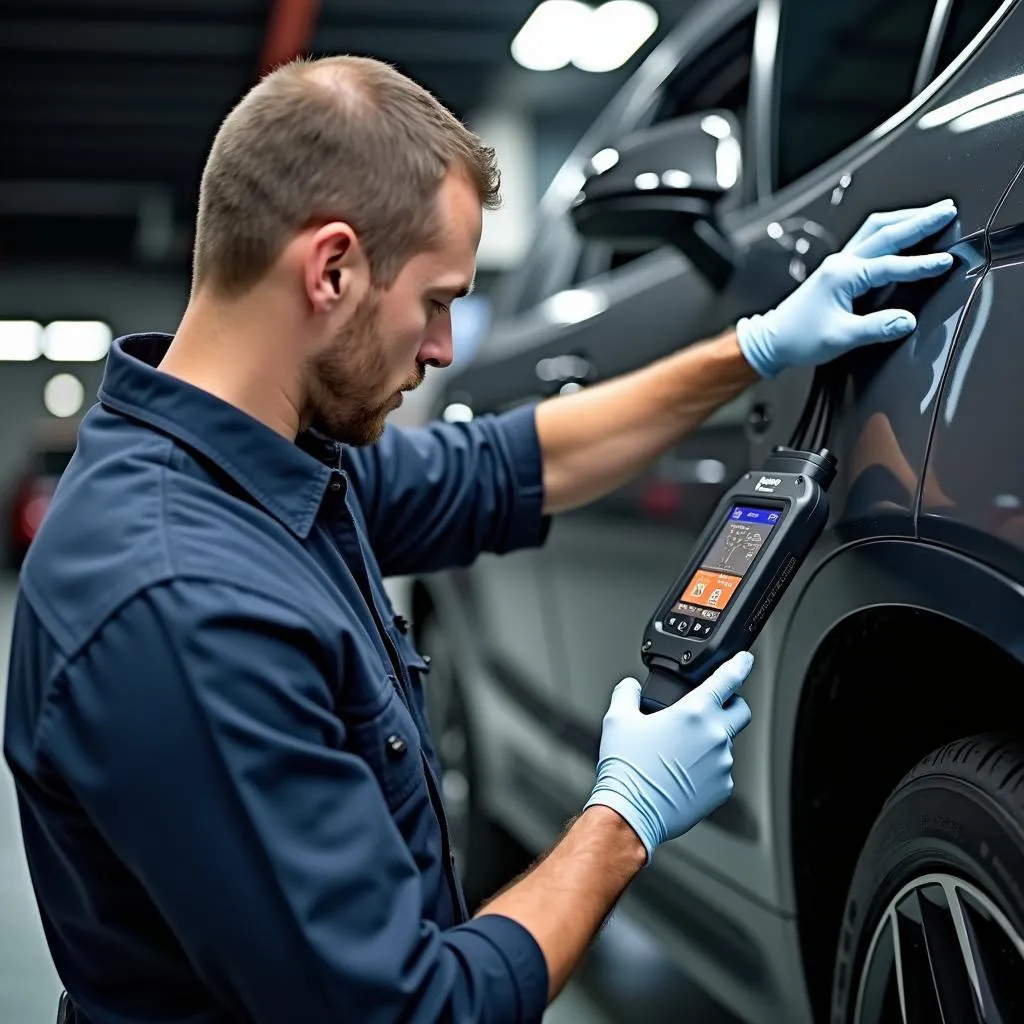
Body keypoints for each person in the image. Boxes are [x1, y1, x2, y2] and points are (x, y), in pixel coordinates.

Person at [2, 55, 957, 1024]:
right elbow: (411, 1013)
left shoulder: (253, 464)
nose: (445, 350)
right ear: (330, 269)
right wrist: (622, 817)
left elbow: (505, 465)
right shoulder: (181, 603)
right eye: (435, 300)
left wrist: (750, 348)